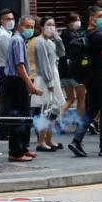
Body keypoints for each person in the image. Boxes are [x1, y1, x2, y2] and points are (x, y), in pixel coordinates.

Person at [67, 7, 102, 158]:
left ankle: (76, 140)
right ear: (91, 18)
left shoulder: (84, 34)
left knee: (91, 110)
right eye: (100, 16)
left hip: (89, 78)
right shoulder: (99, 36)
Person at [3, 16, 41, 161]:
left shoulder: (19, 39)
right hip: (15, 82)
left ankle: (23, 148)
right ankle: (15, 152)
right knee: (18, 116)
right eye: (27, 26)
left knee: (24, 115)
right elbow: (19, 66)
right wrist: (30, 84)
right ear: (20, 27)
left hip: (17, 82)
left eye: (32, 27)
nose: (30, 29)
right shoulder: (17, 40)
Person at [31, 17, 66, 152]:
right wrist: (50, 83)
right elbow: (44, 65)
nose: (51, 27)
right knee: (46, 111)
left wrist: (57, 37)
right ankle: (41, 141)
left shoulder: (50, 41)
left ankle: (49, 139)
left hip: (53, 76)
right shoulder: (40, 42)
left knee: (54, 111)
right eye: (48, 24)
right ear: (41, 26)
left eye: (53, 24)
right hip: (46, 80)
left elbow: (62, 53)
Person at [60, 11, 87, 127]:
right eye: (75, 20)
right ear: (69, 22)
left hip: (63, 71)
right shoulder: (72, 36)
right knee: (81, 98)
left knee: (70, 99)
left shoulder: (63, 34)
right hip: (75, 71)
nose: (78, 22)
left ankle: (57, 117)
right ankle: (80, 123)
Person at [0, 9, 15, 138]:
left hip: (5, 69)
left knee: (7, 102)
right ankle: (4, 132)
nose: (11, 21)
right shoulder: (4, 35)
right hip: (4, 69)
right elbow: (11, 54)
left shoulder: (7, 33)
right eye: (8, 19)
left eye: (12, 18)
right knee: (6, 102)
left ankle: (5, 131)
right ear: (2, 21)